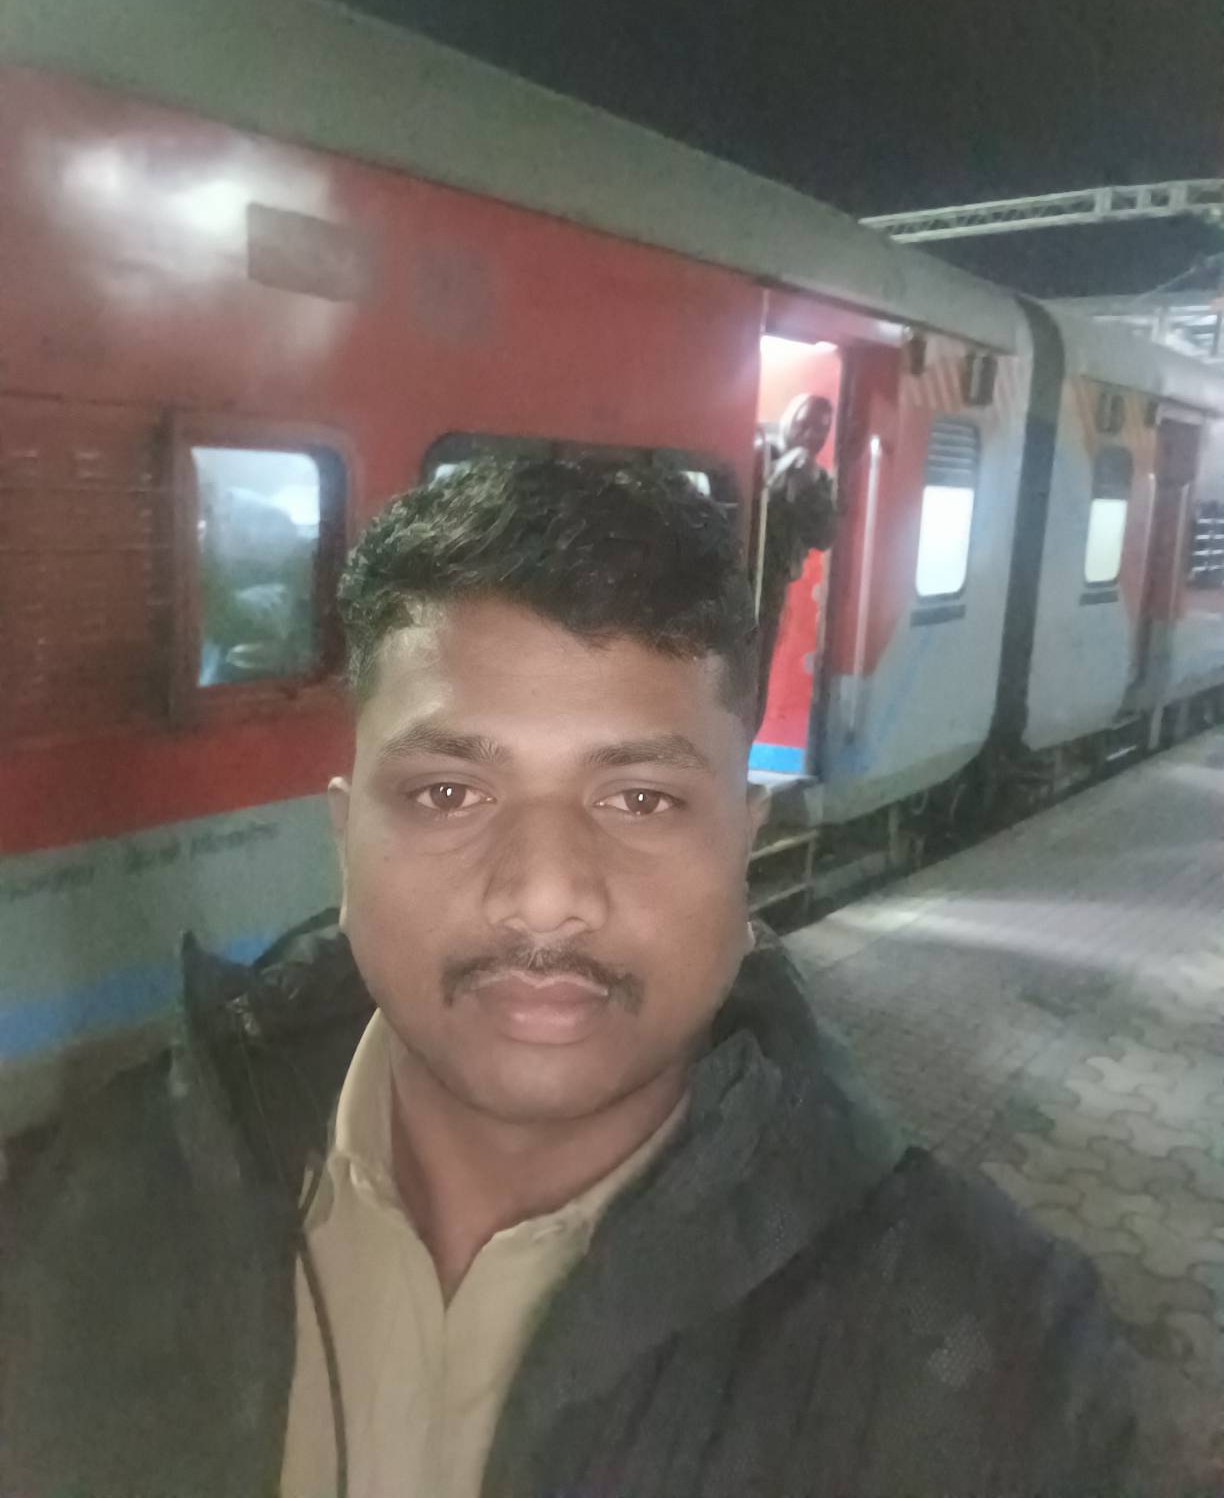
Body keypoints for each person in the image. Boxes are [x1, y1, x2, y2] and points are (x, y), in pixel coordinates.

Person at [0, 458, 1202, 1497]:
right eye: (448, 793)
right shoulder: (102, 1206)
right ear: (343, 838)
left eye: (640, 800)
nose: (543, 894)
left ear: (743, 843)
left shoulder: (995, 1353)